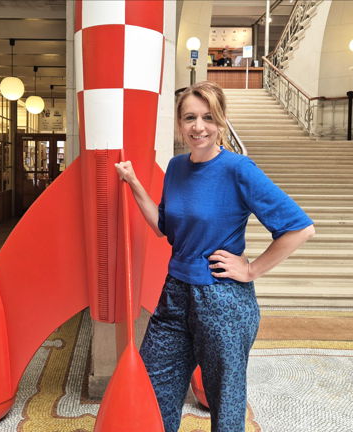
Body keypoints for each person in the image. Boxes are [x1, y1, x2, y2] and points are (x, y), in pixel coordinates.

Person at [114, 81, 315, 432]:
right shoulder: (176, 167)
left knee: (226, 401)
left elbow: (300, 229)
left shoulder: (239, 169)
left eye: (208, 117)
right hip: (175, 294)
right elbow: (163, 227)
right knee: (154, 388)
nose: (198, 127)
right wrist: (133, 182)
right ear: (179, 123)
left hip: (222, 299)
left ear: (221, 121)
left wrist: (251, 270)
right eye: (190, 117)